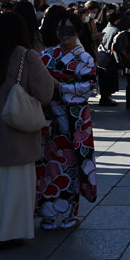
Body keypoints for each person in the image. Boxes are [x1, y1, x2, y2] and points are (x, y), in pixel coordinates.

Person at [0, 12, 56, 249]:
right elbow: (45, 92)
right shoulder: (27, 57)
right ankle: (10, 233)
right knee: (17, 187)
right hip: (17, 134)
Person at [36, 12, 98, 230]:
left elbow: (90, 87)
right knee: (46, 164)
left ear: (78, 31)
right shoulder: (46, 55)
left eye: (69, 30)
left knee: (71, 164)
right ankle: (47, 215)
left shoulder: (84, 58)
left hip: (74, 118)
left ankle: (68, 214)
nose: (64, 35)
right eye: (60, 30)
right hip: (48, 116)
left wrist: (59, 87)